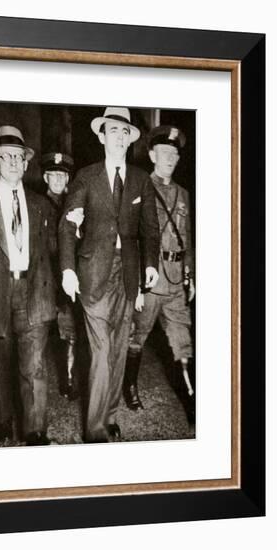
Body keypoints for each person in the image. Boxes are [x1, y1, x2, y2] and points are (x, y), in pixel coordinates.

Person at [58, 107, 160, 443]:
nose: (118, 137)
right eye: (112, 131)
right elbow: (67, 224)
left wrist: (149, 265)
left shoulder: (140, 179)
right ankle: (96, 431)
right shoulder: (86, 177)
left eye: (124, 132)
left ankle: (111, 414)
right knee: (100, 351)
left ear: (129, 141)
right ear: (101, 137)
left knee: (117, 350)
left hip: (128, 275)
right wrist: (69, 269)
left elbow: (150, 229)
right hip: (93, 273)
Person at [0, 125, 57, 446]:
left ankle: (36, 432)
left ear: (27, 163)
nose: (13, 163)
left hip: (34, 292)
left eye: (19, 157)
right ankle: (4, 421)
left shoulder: (40, 204)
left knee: (34, 367)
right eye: (6, 157)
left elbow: (53, 252)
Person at [126, 125, 195, 424]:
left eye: (174, 153)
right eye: (164, 152)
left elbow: (187, 237)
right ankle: (129, 386)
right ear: (152, 154)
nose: (169, 158)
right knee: (137, 336)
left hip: (178, 280)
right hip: (150, 281)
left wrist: (192, 273)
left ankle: (191, 399)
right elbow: (132, 237)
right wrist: (136, 285)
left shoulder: (183, 194)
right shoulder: (140, 187)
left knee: (183, 341)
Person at [41, 152, 80, 400]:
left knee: (70, 330)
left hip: (68, 275)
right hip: (44, 276)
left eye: (62, 174)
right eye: (53, 174)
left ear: (67, 178)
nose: (57, 179)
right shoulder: (36, 204)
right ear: (45, 177)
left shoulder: (75, 204)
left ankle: (68, 377)